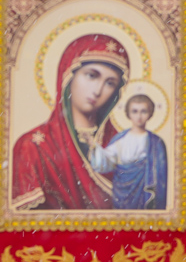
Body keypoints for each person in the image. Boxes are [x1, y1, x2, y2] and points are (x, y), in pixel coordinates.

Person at [10, 33, 128, 212]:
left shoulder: (125, 146)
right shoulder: (33, 146)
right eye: (91, 75)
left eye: (110, 83)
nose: (98, 90)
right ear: (67, 76)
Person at [92, 93, 170, 210]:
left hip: (145, 192)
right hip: (121, 191)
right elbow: (106, 160)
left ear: (150, 113)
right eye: (134, 111)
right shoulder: (121, 139)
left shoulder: (156, 142)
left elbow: (161, 177)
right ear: (128, 114)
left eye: (143, 111)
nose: (139, 116)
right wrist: (93, 146)